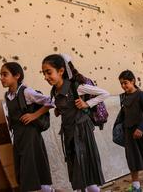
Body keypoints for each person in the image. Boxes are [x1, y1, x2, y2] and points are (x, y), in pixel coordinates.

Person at [42, 54, 109, 192]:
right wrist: (59, 111)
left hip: (82, 131)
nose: (46, 77)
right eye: (44, 73)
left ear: (61, 71)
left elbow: (104, 93)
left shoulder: (76, 87)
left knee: (85, 168)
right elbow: (64, 105)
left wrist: (87, 103)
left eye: (49, 72)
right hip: (69, 132)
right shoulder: (55, 90)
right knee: (77, 168)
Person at [0, 62, 54, 192]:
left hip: (31, 136)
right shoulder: (7, 96)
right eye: (0, 75)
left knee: (32, 169)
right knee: (23, 170)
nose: (1, 78)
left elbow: (51, 101)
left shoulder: (26, 92)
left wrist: (34, 115)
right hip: (19, 137)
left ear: (17, 75)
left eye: (5, 74)